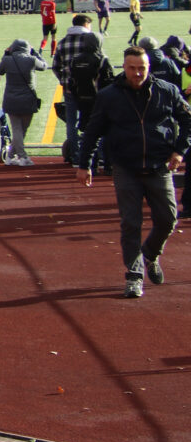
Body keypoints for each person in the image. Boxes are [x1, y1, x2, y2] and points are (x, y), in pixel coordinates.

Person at [79, 44, 191, 298]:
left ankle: (149, 254)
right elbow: (93, 131)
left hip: (159, 166)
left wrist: (179, 150)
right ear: (124, 67)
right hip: (126, 168)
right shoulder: (109, 96)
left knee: (168, 219)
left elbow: (188, 121)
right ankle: (134, 274)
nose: (137, 73)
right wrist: (85, 165)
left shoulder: (167, 91)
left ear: (149, 67)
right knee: (131, 223)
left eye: (142, 68)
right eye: (132, 68)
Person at [54, 14, 109, 167]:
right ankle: (98, 155)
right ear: (86, 24)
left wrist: (64, 80)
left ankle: (75, 155)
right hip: (92, 89)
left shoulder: (63, 42)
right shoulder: (91, 40)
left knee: (71, 123)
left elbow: (56, 66)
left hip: (69, 87)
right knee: (95, 121)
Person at [0, 39, 47, 167]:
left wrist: (5, 55)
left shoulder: (7, 60)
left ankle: (10, 156)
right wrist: (36, 53)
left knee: (17, 130)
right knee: (22, 130)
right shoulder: (31, 60)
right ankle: (22, 157)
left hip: (11, 99)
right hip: (28, 99)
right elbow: (44, 66)